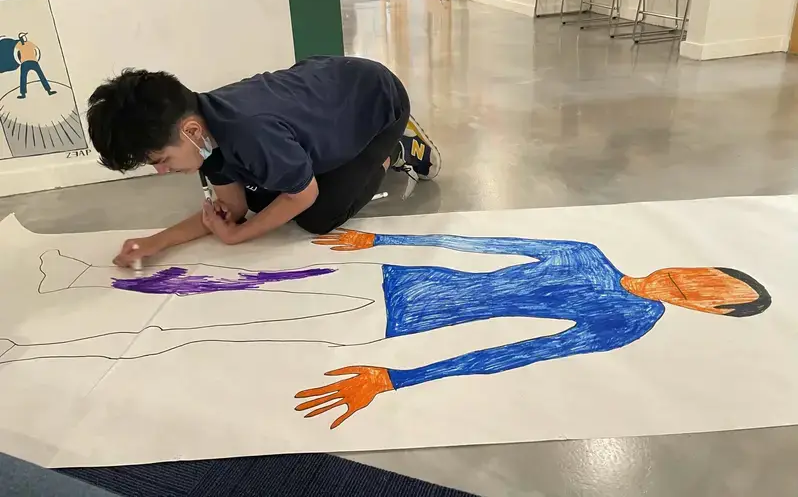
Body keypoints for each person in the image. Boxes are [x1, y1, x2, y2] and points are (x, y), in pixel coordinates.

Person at [16, 230, 771, 432]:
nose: (696, 283)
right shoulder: (586, 251)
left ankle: (44, 346)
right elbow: (481, 249)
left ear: (704, 311)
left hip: (386, 316)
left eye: (712, 296)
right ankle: (74, 278)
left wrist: (398, 378)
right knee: (225, 282)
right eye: (710, 273)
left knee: (208, 327)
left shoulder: (626, 319)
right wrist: (378, 242)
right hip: (378, 277)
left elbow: (512, 353)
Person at [86, 56, 440, 267]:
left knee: (318, 214)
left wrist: (238, 235)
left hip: (378, 100)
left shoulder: (250, 133)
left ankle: (397, 149)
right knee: (260, 194)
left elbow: (303, 196)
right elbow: (232, 206)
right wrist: (156, 242)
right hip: (328, 89)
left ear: (191, 129)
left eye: (162, 160)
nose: (163, 171)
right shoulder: (203, 136)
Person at [0, 32, 57, 99]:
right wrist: (19, 61)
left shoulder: (29, 43)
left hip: (33, 61)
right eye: (23, 36)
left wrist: (36, 58)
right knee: (23, 77)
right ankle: (23, 94)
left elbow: (37, 50)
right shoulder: (18, 44)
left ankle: (48, 90)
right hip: (25, 63)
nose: (25, 37)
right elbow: (15, 52)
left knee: (41, 75)